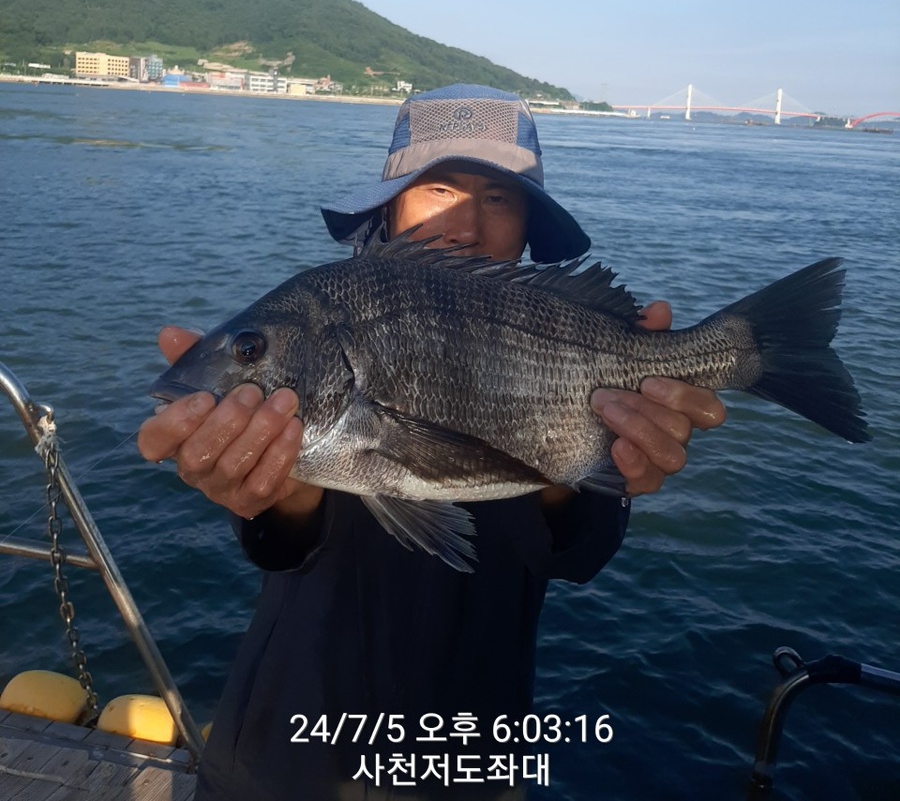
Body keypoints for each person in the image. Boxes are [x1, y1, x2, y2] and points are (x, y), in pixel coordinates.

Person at [138, 84, 725, 799]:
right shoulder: (325, 315)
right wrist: (279, 495)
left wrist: (599, 461)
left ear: (528, 227)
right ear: (390, 209)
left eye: (499, 198)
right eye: (439, 189)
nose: (465, 225)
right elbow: (278, 544)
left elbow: (581, 556)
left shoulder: (555, 339)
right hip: (289, 754)